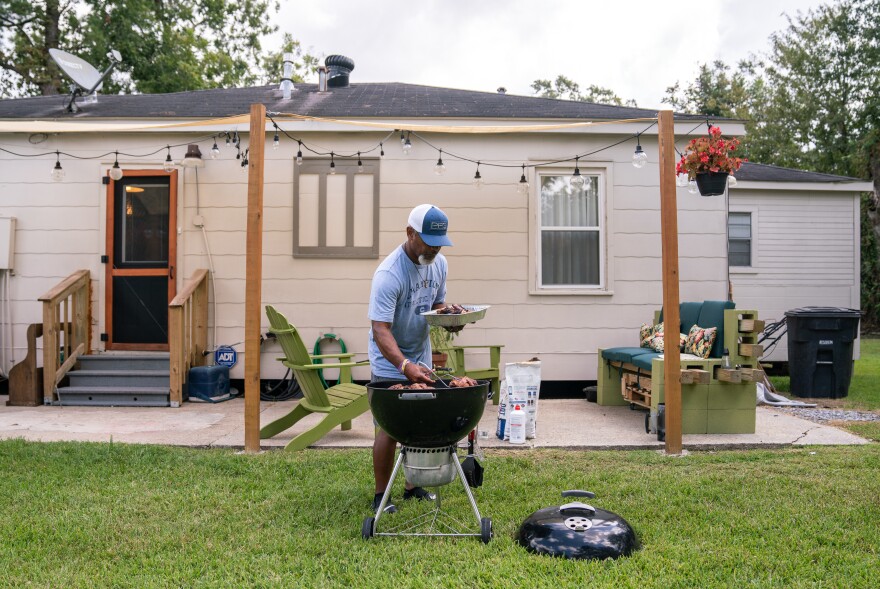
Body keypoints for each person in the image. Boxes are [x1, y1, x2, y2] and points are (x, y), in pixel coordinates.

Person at [367, 204, 464, 513]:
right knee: (391, 426)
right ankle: (381, 495)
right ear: (410, 233)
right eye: (428, 241)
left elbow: (436, 306)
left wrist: (451, 318)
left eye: (439, 242)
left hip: (419, 354)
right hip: (389, 357)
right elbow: (380, 328)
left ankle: (412, 486)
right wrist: (403, 366)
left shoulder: (439, 263)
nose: (434, 248)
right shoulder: (389, 274)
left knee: (420, 418)